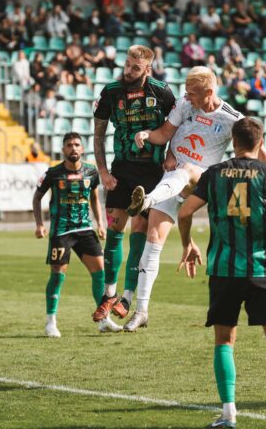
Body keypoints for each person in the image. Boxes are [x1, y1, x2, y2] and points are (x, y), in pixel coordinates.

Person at [177, 117, 266, 429]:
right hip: (261, 268)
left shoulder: (213, 174)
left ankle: (228, 414)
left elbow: (184, 212)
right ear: (260, 143)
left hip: (223, 269)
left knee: (224, 339)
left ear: (233, 142)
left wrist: (188, 244)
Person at [121, 68, 266, 331]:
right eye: (186, 93)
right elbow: (164, 134)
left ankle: (146, 201)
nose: (187, 97)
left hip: (203, 180)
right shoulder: (184, 104)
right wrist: (147, 135)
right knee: (153, 240)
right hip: (171, 181)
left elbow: (259, 152)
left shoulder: (232, 118)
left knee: (189, 169)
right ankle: (141, 311)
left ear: (209, 92)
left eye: (192, 93)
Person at [91, 45, 176, 323]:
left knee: (139, 229)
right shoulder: (111, 92)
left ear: (148, 69)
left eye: (135, 68)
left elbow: (177, 126)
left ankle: (127, 297)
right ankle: (109, 295)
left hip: (152, 172)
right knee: (115, 228)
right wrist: (103, 171)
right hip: (121, 169)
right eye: (127, 65)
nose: (128, 71)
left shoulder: (162, 92)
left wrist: (172, 155)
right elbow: (99, 134)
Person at [33, 133, 119, 336]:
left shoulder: (91, 171)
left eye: (77, 144)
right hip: (61, 230)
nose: (73, 148)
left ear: (82, 149)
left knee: (100, 273)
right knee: (57, 275)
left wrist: (100, 224)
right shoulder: (53, 173)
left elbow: (94, 198)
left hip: (85, 230)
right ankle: (51, 322)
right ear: (63, 149)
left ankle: (103, 319)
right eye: (69, 145)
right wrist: (39, 224)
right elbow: (37, 198)